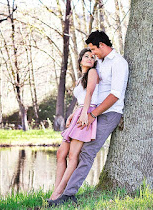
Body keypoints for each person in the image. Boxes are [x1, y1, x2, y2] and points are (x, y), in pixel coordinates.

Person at [48, 30, 129, 206]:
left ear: (102, 45)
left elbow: (115, 95)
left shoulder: (119, 63)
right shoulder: (99, 62)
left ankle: (68, 194)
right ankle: (61, 192)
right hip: (93, 112)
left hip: (109, 113)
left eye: (93, 49)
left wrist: (92, 114)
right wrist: (80, 112)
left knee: (87, 152)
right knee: (74, 152)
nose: (92, 54)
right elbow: (89, 90)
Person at [49, 48, 100, 201]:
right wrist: (74, 113)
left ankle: (57, 194)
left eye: (92, 57)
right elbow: (82, 96)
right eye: (86, 56)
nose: (90, 59)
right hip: (79, 112)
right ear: (80, 60)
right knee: (60, 154)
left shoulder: (92, 73)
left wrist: (85, 113)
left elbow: (90, 94)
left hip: (86, 112)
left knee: (73, 156)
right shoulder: (80, 78)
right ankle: (57, 189)